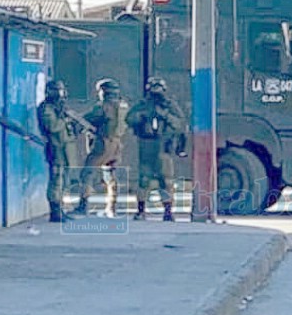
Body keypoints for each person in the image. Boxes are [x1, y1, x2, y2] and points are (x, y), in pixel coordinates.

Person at [127, 78, 186, 222]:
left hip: (163, 147)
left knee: (166, 181)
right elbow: (129, 119)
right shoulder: (142, 105)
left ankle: (167, 211)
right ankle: (141, 210)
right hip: (147, 146)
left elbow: (180, 124)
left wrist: (165, 115)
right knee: (144, 181)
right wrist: (141, 117)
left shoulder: (170, 105)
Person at [73, 78, 129, 218]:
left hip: (103, 143)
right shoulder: (123, 105)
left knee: (88, 173)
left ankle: (83, 205)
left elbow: (89, 119)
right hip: (117, 144)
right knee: (111, 176)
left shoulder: (103, 106)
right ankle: (111, 208)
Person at [37, 80, 80, 222]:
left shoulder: (58, 107)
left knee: (64, 181)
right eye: (57, 91)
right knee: (56, 181)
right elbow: (53, 126)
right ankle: (55, 212)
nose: (60, 95)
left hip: (65, 149)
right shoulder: (46, 108)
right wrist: (65, 119)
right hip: (56, 149)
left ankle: (61, 208)